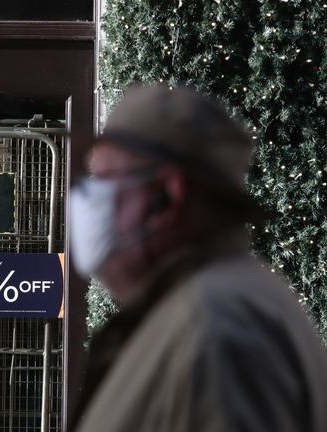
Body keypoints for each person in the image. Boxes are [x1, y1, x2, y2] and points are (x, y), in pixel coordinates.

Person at [69, 85, 327, 431]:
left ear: (166, 197)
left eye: (104, 180)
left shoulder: (214, 326)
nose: (86, 199)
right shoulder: (203, 309)